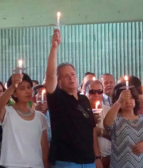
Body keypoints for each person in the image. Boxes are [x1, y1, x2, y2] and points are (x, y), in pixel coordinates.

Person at [45, 29, 102, 168]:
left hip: (88, 161)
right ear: (58, 82)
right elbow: (51, 76)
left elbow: (90, 131)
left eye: (73, 74)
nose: (71, 77)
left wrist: (97, 157)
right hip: (67, 161)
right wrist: (54, 47)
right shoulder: (57, 98)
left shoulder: (84, 100)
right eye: (65, 76)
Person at [0, 73, 49, 168]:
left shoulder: (40, 117)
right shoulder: (7, 112)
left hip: (36, 165)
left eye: (29, 87)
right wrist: (12, 86)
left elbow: (44, 148)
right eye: (22, 88)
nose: (27, 91)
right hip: (11, 165)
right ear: (14, 93)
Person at [103, 83, 143, 168]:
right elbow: (107, 124)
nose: (128, 101)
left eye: (131, 98)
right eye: (124, 99)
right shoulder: (116, 119)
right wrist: (119, 101)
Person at [84, 80, 111, 168]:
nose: (96, 95)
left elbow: (118, 135)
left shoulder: (109, 111)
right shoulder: (81, 112)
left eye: (99, 91)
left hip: (110, 158)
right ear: (85, 93)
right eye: (92, 92)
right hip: (89, 159)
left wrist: (101, 132)